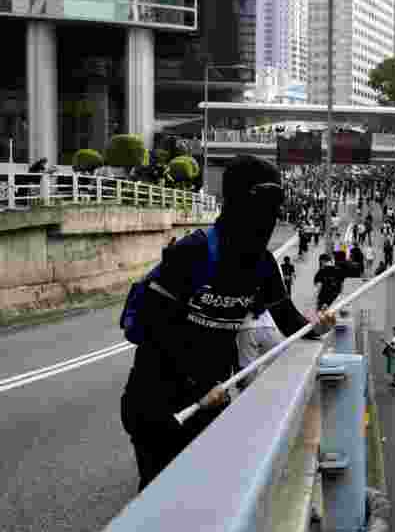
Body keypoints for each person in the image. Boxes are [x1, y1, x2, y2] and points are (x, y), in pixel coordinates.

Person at [120, 155, 335, 493]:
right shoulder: (191, 252)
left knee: (206, 496)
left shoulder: (263, 264)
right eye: (263, 204)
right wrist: (196, 386)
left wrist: (316, 326)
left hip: (212, 399)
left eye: (276, 205)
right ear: (237, 202)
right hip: (156, 400)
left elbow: (288, 319)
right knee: (159, 495)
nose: (270, 217)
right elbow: (152, 328)